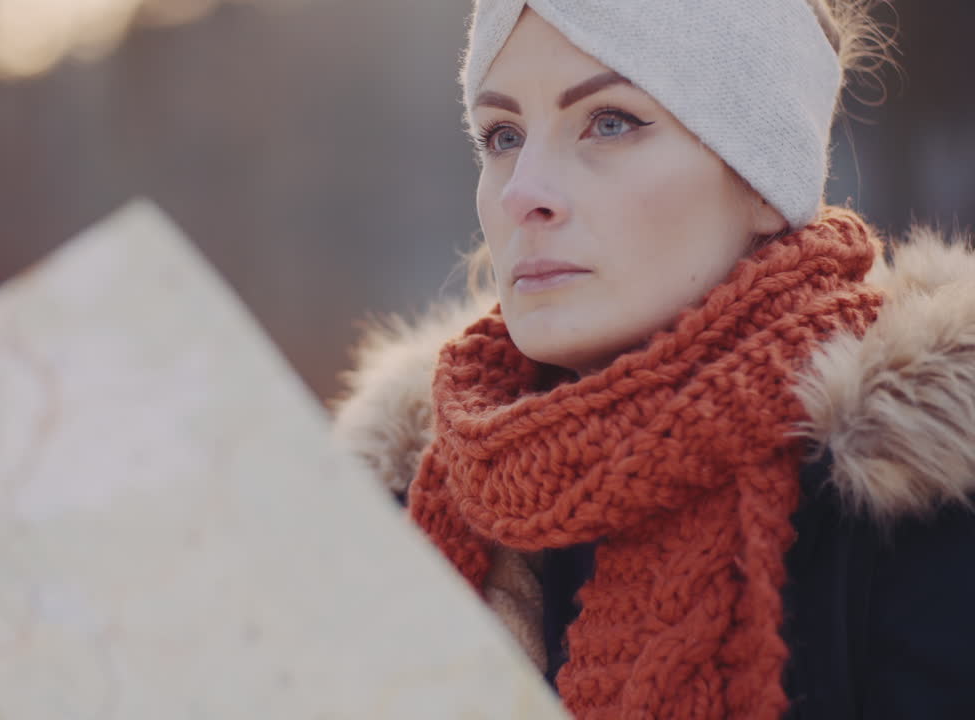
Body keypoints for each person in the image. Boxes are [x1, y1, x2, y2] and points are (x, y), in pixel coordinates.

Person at [332, 1, 975, 718]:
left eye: (610, 122)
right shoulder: (393, 518)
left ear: (762, 180)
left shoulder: (911, 510)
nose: (523, 194)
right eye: (502, 134)